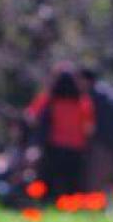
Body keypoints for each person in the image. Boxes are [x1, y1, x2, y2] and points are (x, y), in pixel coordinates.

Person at [26, 63, 95, 199]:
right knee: (72, 184)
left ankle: (47, 204)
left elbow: (31, 117)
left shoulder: (48, 99)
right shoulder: (83, 102)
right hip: (76, 149)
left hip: (54, 147)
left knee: (50, 182)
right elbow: (89, 129)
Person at [80, 67, 113, 192]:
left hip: (103, 142)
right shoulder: (104, 92)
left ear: (86, 80)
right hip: (111, 141)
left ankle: (98, 205)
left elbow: (103, 124)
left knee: (97, 178)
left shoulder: (98, 96)